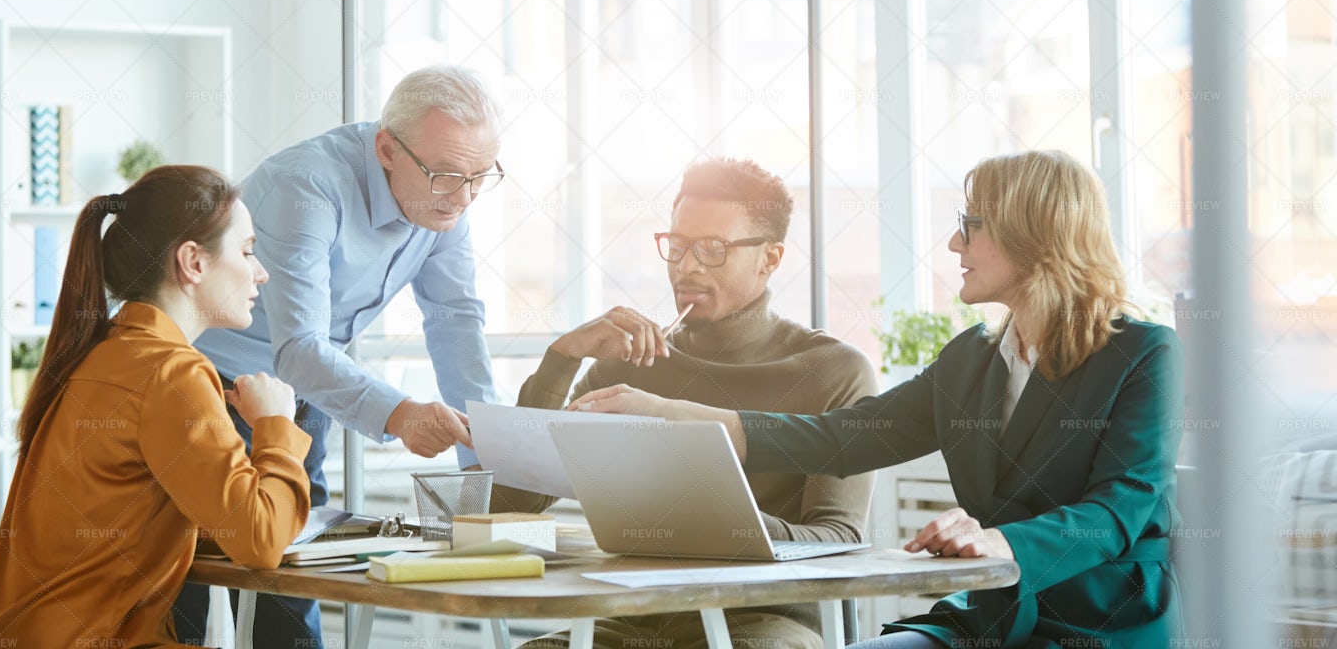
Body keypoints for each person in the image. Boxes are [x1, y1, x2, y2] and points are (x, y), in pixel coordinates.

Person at [575, 150, 1186, 648]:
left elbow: (1118, 511)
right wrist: (674, 414)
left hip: (1100, 623)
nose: (952, 243)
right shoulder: (971, 360)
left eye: (970, 227)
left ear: (1034, 238)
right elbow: (842, 438)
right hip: (994, 618)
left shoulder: (1143, 355)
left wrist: (1004, 542)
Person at [175, 64, 504, 646]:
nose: (464, 196)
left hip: (302, 387)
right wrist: (402, 415)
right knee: (191, 577)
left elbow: (455, 320)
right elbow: (300, 345)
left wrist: (486, 455)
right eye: (449, 175)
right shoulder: (308, 184)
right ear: (387, 149)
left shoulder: (445, 200)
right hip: (206, 383)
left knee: (292, 566)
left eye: (481, 177)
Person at [492, 157, 877, 649]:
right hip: (630, 617)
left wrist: (711, 520)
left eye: (713, 249)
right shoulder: (630, 360)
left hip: (760, 622)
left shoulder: (834, 371)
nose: (687, 266)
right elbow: (507, 508)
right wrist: (560, 360)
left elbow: (840, 541)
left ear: (770, 258)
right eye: (677, 246)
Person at [0, 166, 311, 649]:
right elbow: (259, 542)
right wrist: (276, 425)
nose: (261, 271)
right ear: (193, 262)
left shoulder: (106, 352)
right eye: (247, 251)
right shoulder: (172, 372)